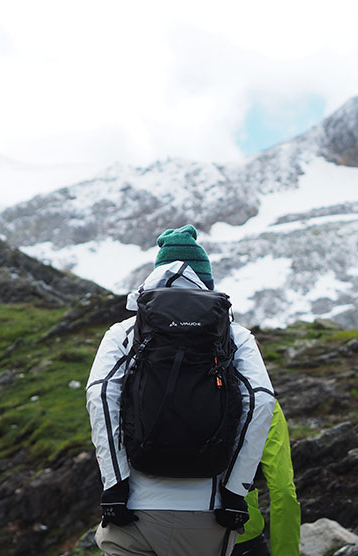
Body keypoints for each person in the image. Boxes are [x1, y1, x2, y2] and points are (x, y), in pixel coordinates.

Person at [86, 224, 276, 556]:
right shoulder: (235, 335)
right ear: (206, 281)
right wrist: (234, 491)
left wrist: (115, 486)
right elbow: (260, 402)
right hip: (207, 513)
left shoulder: (123, 332)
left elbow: (101, 397)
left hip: (134, 511)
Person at [233, 401, 301, 556]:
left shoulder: (173, 390)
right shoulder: (262, 401)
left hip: (172, 530)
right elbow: (283, 490)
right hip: (241, 531)